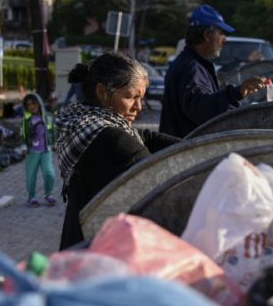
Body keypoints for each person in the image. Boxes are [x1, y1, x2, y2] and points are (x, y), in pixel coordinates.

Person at [55, 52, 180, 250]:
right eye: (131, 97)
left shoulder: (86, 122)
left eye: (141, 98)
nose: (138, 106)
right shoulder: (111, 139)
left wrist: (194, 145)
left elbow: (145, 136)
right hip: (99, 252)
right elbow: (156, 184)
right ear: (103, 92)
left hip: (78, 242)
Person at [159, 4, 266, 137]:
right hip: (185, 151)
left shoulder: (193, 63)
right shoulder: (191, 67)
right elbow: (200, 108)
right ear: (207, 35)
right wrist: (236, 93)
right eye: (221, 33)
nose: (224, 39)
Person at [20, 93, 57, 206]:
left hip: (46, 150)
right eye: (28, 105)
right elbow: (23, 135)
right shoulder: (26, 120)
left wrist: (55, 143)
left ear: (39, 103)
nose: (31, 106)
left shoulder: (49, 117)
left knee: (49, 173)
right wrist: (23, 146)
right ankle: (31, 197)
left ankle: (48, 194)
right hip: (32, 152)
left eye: (34, 103)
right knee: (31, 175)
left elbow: (53, 132)